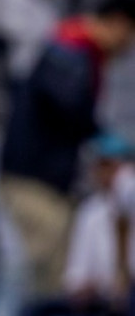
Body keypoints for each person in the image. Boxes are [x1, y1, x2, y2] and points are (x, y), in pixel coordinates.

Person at [1, 0, 135, 299]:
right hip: (34, 185)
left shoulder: (79, 54)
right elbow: (71, 108)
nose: (128, 47)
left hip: (45, 184)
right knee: (48, 286)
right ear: (118, 24)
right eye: (130, 35)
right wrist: (104, 137)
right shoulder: (68, 50)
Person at [59, 133, 135, 315]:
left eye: (109, 165)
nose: (102, 173)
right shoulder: (90, 213)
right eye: (99, 166)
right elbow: (75, 279)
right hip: (102, 304)